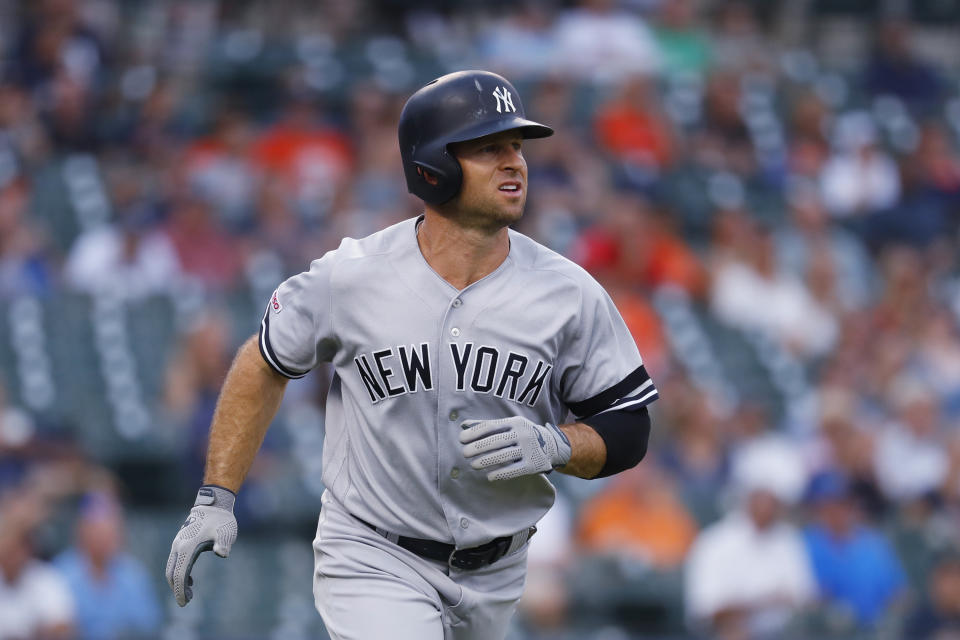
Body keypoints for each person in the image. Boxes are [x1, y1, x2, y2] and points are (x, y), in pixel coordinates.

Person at [165, 70, 658, 640]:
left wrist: (557, 444)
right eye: (488, 148)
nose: (514, 163)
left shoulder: (569, 293)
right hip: (372, 552)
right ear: (433, 166)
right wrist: (215, 497)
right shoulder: (352, 277)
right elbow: (264, 360)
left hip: (498, 569)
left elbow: (629, 426)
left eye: (517, 148)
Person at [53, 492, 162, 640]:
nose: (104, 537)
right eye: (97, 529)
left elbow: (147, 626)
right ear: (81, 531)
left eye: (110, 529)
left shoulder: (134, 574)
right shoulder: (60, 573)